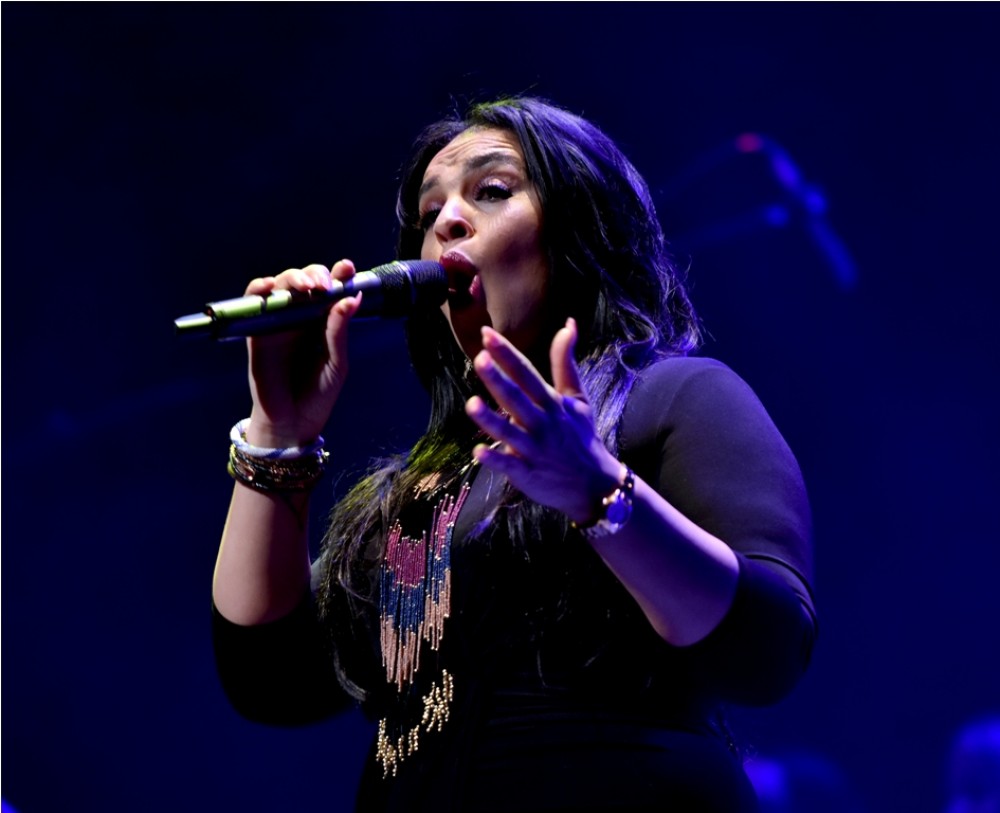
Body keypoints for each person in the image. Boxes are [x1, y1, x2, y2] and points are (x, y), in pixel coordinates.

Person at [211, 97, 817, 812]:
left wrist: (598, 493)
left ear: (580, 226)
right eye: (428, 211)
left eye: (492, 190)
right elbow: (271, 681)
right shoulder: (416, 494)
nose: (446, 220)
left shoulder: (674, 397)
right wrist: (277, 431)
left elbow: (768, 648)